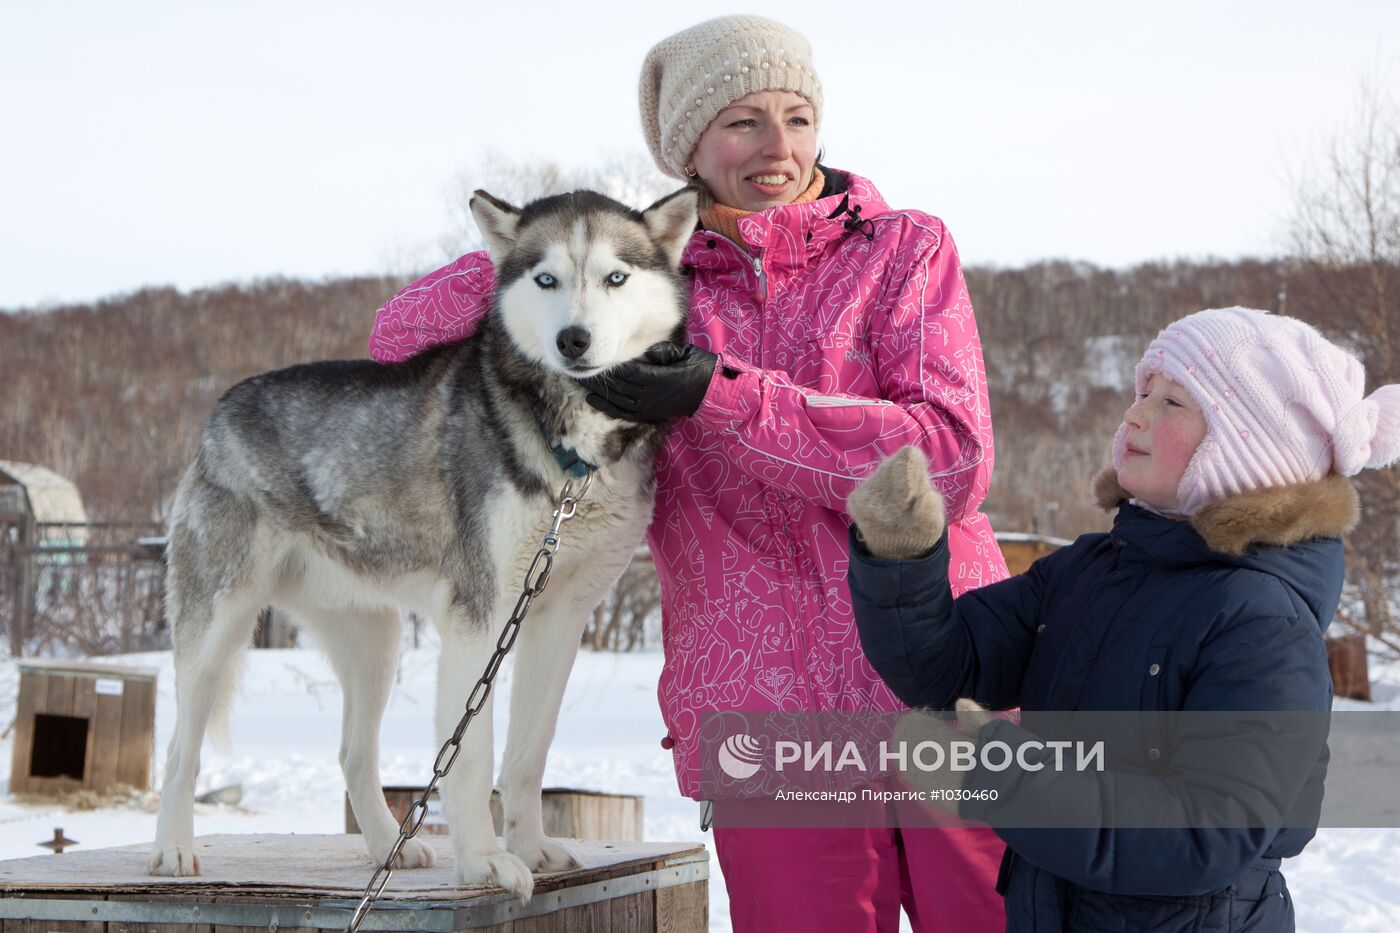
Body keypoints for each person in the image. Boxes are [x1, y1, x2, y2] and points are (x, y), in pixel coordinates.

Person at [369, 15, 1009, 931]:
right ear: (689, 146)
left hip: (948, 685)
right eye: (743, 121)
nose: (778, 148)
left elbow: (947, 463)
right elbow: (396, 338)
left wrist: (725, 393)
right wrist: (552, 247)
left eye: (797, 116)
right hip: (765, 706)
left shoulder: (901, 250)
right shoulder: (648, 282)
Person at [845, 306, 1400, 932]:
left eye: (1173, 404)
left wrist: (993, 772)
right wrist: (902, 557)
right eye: (1144, 391)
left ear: (1249, 448)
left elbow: (1202, 833)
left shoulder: (1261, 623)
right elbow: (950, 666)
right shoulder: (1095, 567)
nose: (1135, 413)